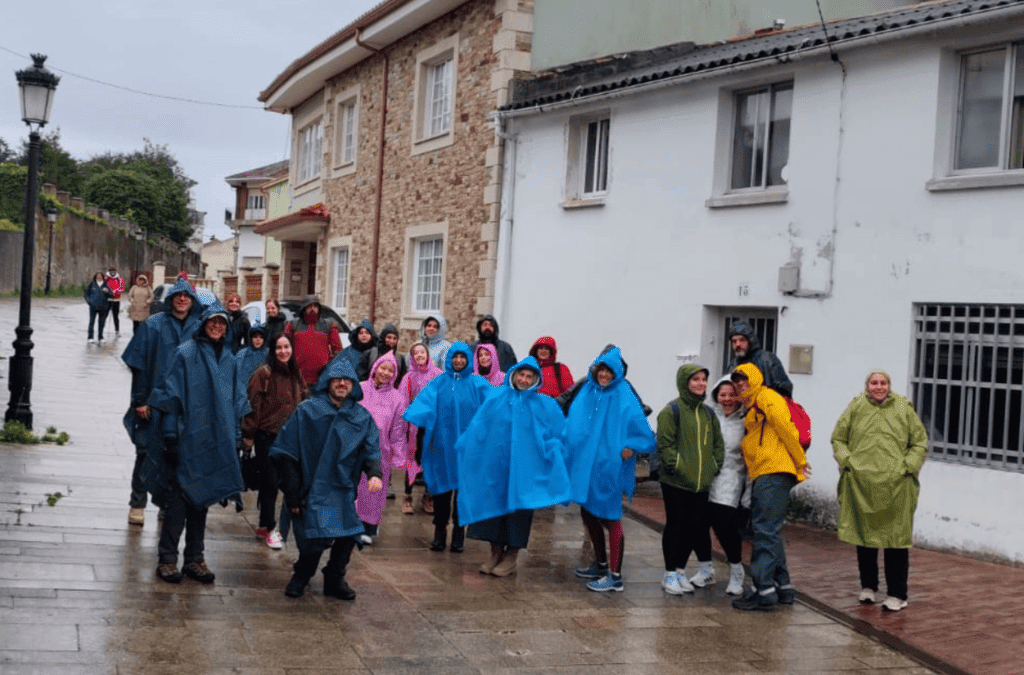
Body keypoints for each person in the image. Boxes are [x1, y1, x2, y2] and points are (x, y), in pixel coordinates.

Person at [148, 303, 250, 584]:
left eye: (222, 323)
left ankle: (195, 558)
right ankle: (167, 559)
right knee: (179, 503)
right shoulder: (185, 354)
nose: (217, 327)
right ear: (204, 324)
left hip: (215, 442)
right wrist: (170, 436)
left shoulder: (229, 360)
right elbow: (171, 396)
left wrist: (237, 438)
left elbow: (234, 403)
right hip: (187, 439)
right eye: (212, 322)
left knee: (202, 501)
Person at [270, 358, 383, 600]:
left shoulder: (361, 417)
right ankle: (302, 575)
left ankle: (335, 577)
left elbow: (371, 447)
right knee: (314, 537)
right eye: (337, 379)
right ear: (327, 382)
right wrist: (293, 491)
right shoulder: (307, 411)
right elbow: (287, 452)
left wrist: (374, 473)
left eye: (347, 380)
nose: (342, 383)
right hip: (312, 487)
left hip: (342, 488)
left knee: (348, 534)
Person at [456, 356, 569, 577]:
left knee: (519, 511)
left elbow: (557, 433)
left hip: (525, 470)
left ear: (536, 380)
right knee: (493, 510)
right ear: (514, 374)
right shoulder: (496, 397)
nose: (524, 379)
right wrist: (466, 446)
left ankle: (511, 556)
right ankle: (495, 553)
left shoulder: (544, 404)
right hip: (495, 467)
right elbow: (479, 425)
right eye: (521, 374)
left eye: (529, 376)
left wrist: (553, 452)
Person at [831, 369, 927, 612]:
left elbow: (919, 442)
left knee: (895, 540)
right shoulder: (856, 407)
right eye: (874, 382)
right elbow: (838, 438)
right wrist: (847, 462)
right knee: (865, 537)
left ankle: (897, 594)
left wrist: (909, 466)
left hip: (896, 485)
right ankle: (868, 587)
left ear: (889, 386)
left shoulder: (904, 408)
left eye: (883, 382)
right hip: (862, 485)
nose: (878, 387)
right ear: (867, 386)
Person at [567, 347, 656, 592]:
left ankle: (615, 576)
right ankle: (600, 563)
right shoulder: (587, 391)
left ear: (616, 372)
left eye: (608, 371)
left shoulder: (624, 394)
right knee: (588, 512)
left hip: (610, 465)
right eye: (600, 370)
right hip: (587, 465)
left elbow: (643, 430)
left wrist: (632, 446)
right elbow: (573, 423)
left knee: (610, 515)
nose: (604, 375)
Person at [730, 363, 811, 611]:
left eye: (744, 379)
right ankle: (783, 587)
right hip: (767, 472)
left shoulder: (766, 396)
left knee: (763, 530)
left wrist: (801, 460)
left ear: (755, 378)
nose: (740, 384)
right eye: (737, 381)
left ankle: (762, 590)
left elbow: (785, 427)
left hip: (773, 471)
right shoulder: (752, 404)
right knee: (770, 531)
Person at [121, 279, 202, 527]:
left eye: (187, 296)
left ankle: (166, 506)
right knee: (146, 453)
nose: (182, 300)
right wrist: (140, 400)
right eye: (178, 296)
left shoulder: (199, 329)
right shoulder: (153, 325)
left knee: (174, 458)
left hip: (182, 408)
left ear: (192, 301)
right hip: (153, 403)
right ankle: (137, 503)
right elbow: (139, 366)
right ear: (170, 299)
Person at [403, 341, 492, 552]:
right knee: (441, 493)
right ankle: (439, 532)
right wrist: (415, 432)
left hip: (469, 451)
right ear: (449, 359)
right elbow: (422, 408)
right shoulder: (438, 383)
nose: (459, 361)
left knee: (463, 494)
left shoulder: (479, 385)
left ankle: (459, 534)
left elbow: (494, 407)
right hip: (442, 447)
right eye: (455, 357)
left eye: (463, 357)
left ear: (468, 359)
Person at [654, 364, 723, 595]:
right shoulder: (670, 411)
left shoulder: (708, 413)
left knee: (694, 528)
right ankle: (669, 574)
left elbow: (717, 445)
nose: (700, 384)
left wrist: (713, 467)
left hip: (701, 483)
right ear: (685, 383)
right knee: (676, 526)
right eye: (695, 379)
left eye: (703, 379)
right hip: (676, 482)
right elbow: (666, 446)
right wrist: (680, 468)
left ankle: (680, 572)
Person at [242, 334, 308, 550]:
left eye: (286, 347)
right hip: (267, 437)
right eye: (278, 347)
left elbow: (304, 401)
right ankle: (271, 528)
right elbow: (253, 406)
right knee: (269, 484)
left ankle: (268, 524)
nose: (283, 351)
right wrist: (249, 434)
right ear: (273, 350)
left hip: (291, 439)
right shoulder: (263, 374)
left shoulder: (296, 374)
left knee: (290, 484)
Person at [355, 352, 407, 544]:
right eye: (382, 367)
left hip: (380, 451)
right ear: (375, 368)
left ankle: (369, 527)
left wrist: (398, 455)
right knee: (354, 489)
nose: (385, 372)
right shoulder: (359, 388)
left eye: (390, 370)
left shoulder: (397, 399)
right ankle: (351, 525)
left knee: (373, 490)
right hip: (355, 449)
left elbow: (399, 430)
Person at [705, 376, 751, 595]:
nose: (727, 399)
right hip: (706, 477)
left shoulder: (746, 422)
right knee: (700, 525)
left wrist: (748, 493)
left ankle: (736, 570)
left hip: (731, 477)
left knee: (724, 525)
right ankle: (705, 569)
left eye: (732, 394)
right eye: (723, 394)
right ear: (716, 396)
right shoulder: (709, 417)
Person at [399, 342, 442, 515]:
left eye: (422, 352)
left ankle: (428, 496)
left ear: (427, 354)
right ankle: (407, 495)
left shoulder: (438, 375)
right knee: (413, 460)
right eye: (415, 353)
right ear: (412, 357)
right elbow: (403, 402)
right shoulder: (408, 377)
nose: (419, 355)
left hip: (433, 425)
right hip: (415, 427)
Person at [285, 295, 342, 386]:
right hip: (297, 378)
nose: (312, 309)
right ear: (304, 308)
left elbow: (338, 350)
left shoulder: (329, 325)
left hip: (322, 378)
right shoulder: (292, 325)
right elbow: (285, 347)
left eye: (315, 306)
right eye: (309, 306)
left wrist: (328, 367)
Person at [726, 321, 793, 398]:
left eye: (742, 340)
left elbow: (784, 388)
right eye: (734, 341)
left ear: (751, 340)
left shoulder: (768, 359)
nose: (737, 344)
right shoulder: (733, 364)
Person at [84, 272, 112, 343]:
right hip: (93, 307)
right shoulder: (92, 284)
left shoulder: (106, 284)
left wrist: (107, 292)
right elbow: (86, 294)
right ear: (95, 277)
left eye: (100, 276)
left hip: (103, 307)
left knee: (101, 322)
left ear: (103, 277)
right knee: (91, 322)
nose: (99, 277)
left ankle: (100, 337)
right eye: (97, 276)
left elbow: (111, 295)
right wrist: (89, 302)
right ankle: (90, 337)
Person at [105, 266, 125, 337]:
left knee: (115, 316)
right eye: (111, 271)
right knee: (105, 315)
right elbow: (104, 287)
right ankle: (101, 328)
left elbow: (122, 288)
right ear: (109, 272)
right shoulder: (106, 279)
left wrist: (115, 292)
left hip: (116, 300)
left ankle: (117, 331)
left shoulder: (119, 279)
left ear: (115, 271)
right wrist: (109, 292)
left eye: (114, 270)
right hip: (108, 300)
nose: (113, 272)